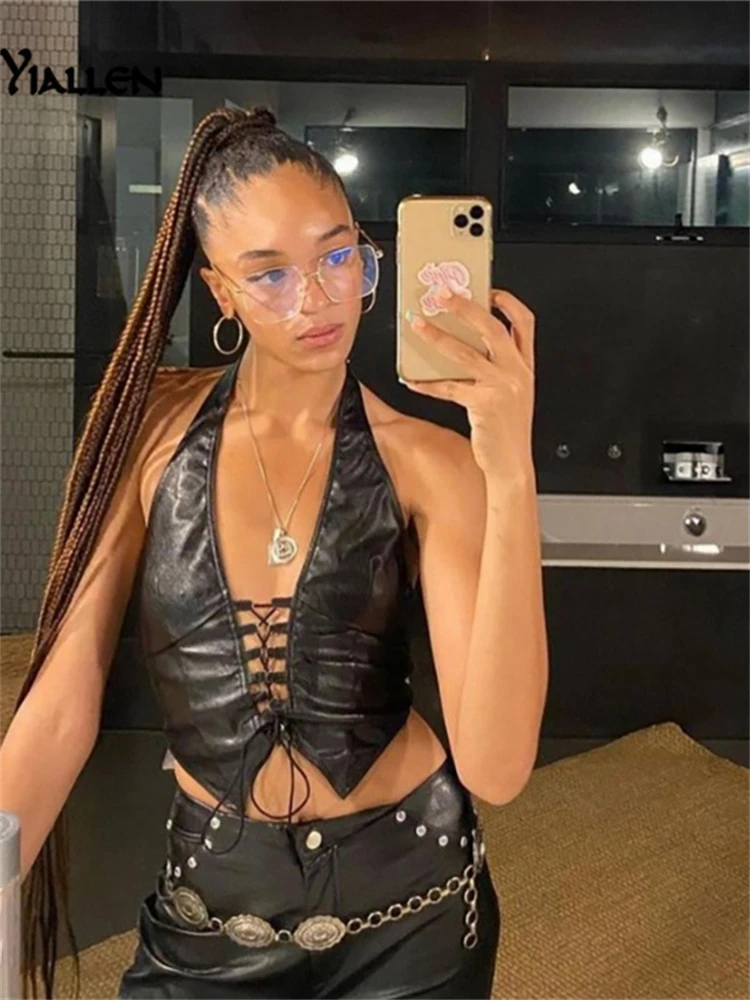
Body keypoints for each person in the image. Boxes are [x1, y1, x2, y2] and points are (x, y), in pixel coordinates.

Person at [2, 104, 547, 999]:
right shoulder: (151, 433)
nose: (316, 299)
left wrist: (509, 468)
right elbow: (63, 702)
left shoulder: (431, 462)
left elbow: (497, 763)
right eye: (269, 274)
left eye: (337, 256)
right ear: (219, 291)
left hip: (409, 910)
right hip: (212, 913)